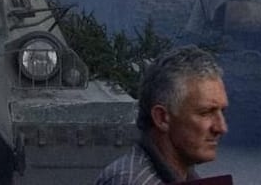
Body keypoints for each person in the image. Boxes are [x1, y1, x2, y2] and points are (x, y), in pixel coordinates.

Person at [96, 46, 228, 185]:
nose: (221, 128)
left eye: (222, 112)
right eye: (205, 113)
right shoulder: (132, 181)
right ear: (162, 118)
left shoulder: (181, 175)